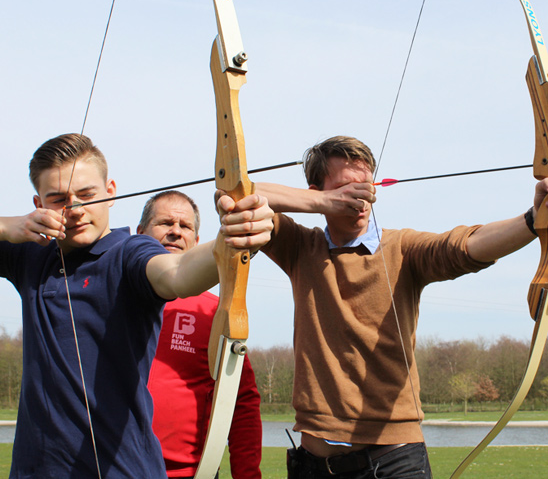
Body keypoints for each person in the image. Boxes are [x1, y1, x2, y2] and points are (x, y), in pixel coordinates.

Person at [254, 135, 548, 478]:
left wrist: (532, 219)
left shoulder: (403, 248)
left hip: (394, 462)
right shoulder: (301, 246)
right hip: (314, 464)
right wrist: (322, 202)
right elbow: (238, 194)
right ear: (317, 189)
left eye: (366, 186)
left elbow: (466, 246)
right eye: (347, 188)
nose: (361, 199)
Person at [0, 133, 273, 478]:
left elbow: (177, 273)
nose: (75, 210)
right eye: (58, 199)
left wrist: (233, 238)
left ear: (110, 190)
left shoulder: (129, 253)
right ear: (38, 203)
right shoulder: (30, 255)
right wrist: (8, 226)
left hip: (123, 469)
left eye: (86, 195)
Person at [137, 190, 262, 478]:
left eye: (185, 226)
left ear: (197, 241)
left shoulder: (215, 313)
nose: (175, 232)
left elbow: (240, 401)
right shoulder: (110, 298)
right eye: (165, 223)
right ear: (140, 232)